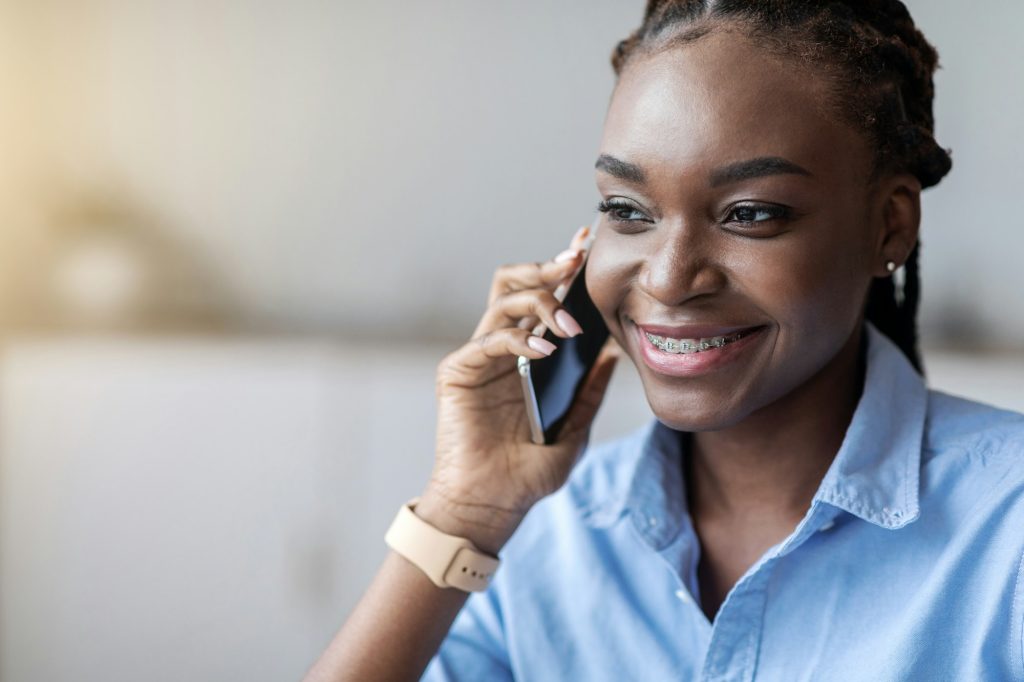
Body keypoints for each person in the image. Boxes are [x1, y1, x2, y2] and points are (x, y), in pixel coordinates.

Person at [305, 1, 1024, 679]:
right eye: (627, 209)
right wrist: (463, 513)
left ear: (890, 225)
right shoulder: (542, 534)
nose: (671, 278)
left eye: (750, 212)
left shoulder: (1006, 530)